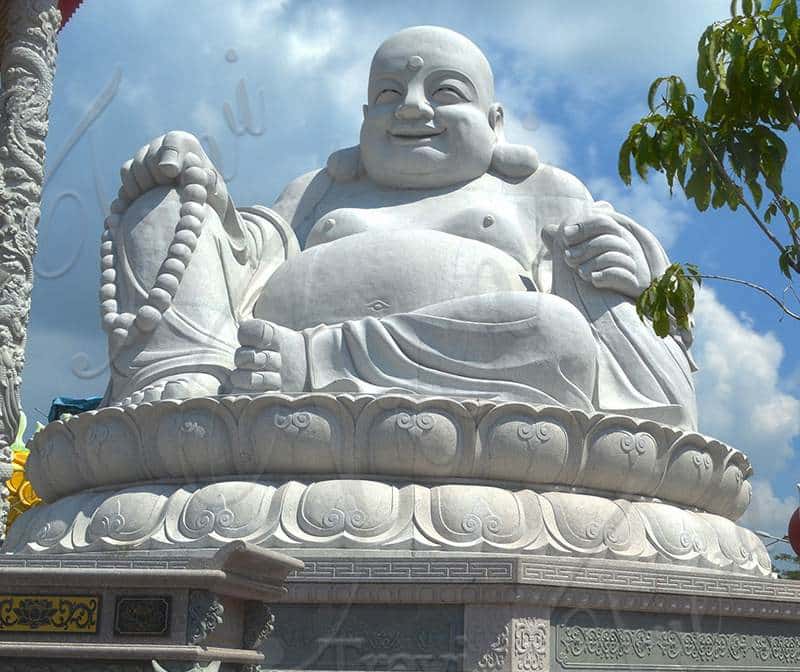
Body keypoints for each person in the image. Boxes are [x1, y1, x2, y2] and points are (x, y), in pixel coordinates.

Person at [103, 26, 696, 429]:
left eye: (445, 92)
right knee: (164, 200)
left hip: (458, 369)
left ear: (494, 122)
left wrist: (643, 272)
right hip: (254, 370)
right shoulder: (315, 191)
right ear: (365, 117)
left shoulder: (541, 191)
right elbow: (240, 257)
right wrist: (194, 183)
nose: (413, 107)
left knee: (555, 334)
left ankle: (313, 364)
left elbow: (608, 316)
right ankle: (183, 385)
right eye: (390, 94)